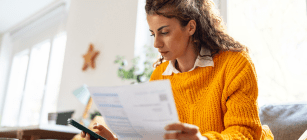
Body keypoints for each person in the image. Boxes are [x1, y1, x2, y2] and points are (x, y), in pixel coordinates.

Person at [81, 0, 274, 139]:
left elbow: (245, 133)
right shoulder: (159, 76)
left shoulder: (235, 64)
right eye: (153, 33)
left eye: (164, 32)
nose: (156, 43)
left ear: (190, 27)